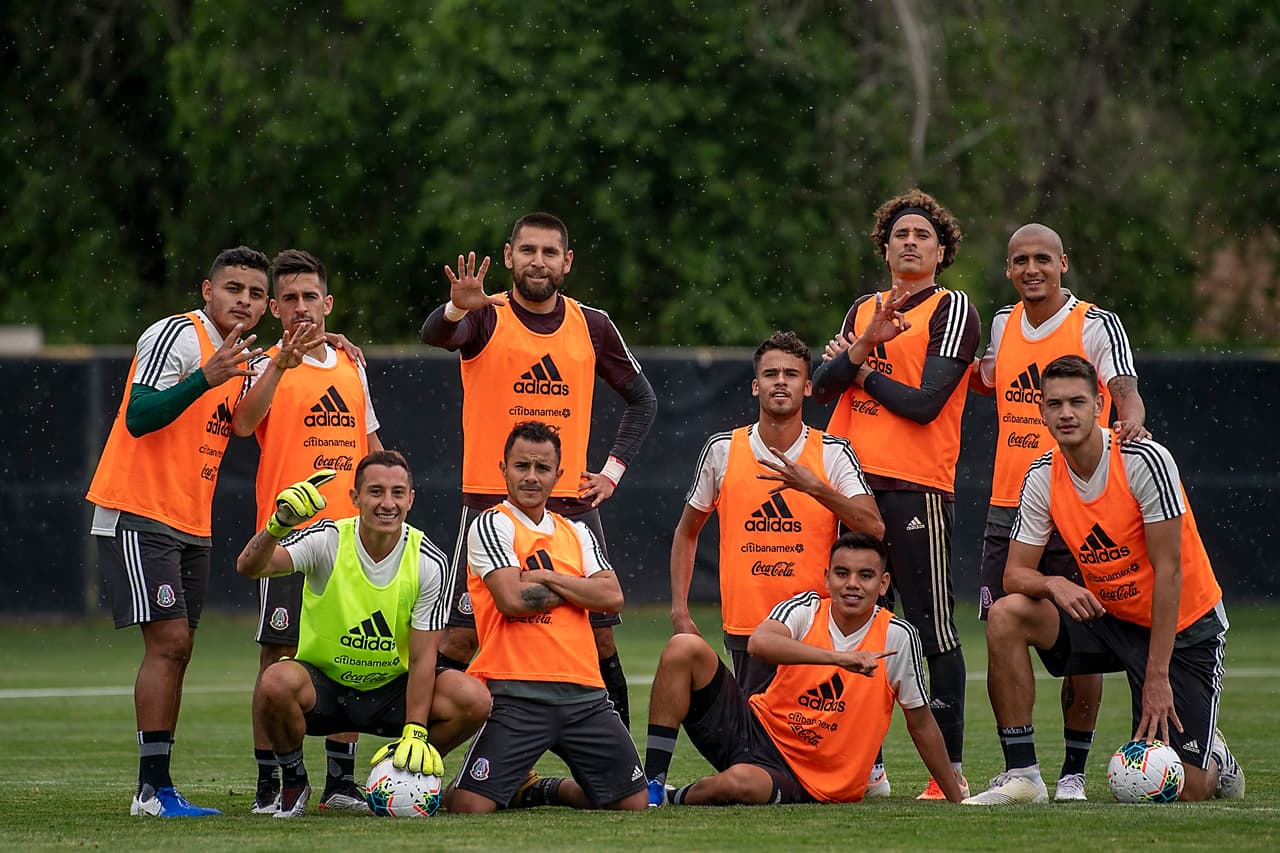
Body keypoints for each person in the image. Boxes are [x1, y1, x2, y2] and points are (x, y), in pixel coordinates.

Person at [963, 355, 1243, 805]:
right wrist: (1054, 584)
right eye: (1055, 404)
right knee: (1006, 614)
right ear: (1041, 410)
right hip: (1110, 619)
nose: (1066, 413)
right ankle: (1024, 776)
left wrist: (1156, 677)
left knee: (1188, 790)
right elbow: (1015, 574)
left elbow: (1170, 573)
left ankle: (1216, 755)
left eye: (1077, 402)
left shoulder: (1144, 460)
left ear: (1099, 405)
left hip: (1182, 628)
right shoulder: (1042, 474)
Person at [420, 211, 656, 727]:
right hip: (490, 502)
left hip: (569, 504)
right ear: (509, 257)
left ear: (567, 262)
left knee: (599, 635)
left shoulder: (592, 325)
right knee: (461, 636)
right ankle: (419, 749)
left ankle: (619, 757)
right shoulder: (485, 315)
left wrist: (611, 472)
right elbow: (436, 334)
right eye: (528, 250)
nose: (538, 261)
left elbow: (643, 400)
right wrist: (455, 308)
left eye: (550, 252)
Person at [86, 246, 270, 817]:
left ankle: (159, 788)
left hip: (191, 521)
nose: (243, 300)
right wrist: (205, 378)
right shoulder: (179, 334)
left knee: (181, 649)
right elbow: (139, 416)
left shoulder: (242, 357)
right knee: (168, 644)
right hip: (139, 509)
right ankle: (150, 791)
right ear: (207, 291)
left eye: (256, 293)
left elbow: (242, 425)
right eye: (233, 288)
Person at [811, 189, 980, 798]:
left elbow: (926, 403)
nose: (910, 242)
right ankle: (869, 768)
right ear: (885, 249)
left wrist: (858, 367)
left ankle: (947, 773)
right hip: (851, 486)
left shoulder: (952, 307)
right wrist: (856, 358)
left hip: (916, 486)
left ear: (941, 251)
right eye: (900, 235)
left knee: (932, 629)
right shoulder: (863, 308)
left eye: (922, 235)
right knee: (853, 624)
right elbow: (820, 386)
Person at [969, 223, 1147, 801]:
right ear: (1008, 269)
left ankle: (1073, 774)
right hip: (1008, 507)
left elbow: (1125, 391)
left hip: (1076, 503)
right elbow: (984, 378)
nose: (1032, 269)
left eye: (1042, 258)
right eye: (1020, 260)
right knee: (1003, 626)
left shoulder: (1094, 323)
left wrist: (1132, 421)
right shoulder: (1001, 324)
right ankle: (1022, 773)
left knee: (1082, 637)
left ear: (1063, 263)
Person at [236, 450, 492, 818]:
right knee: (275, 680)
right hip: (324, 688)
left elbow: (423, 658)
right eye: (375, 492)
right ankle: (294, 781)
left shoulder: (428, 560)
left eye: (397, 493)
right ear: (355, 497)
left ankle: (400, 772)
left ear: (411, 499)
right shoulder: (327, 540)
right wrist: (278, 525)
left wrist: (416, 731)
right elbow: (249, 568)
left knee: (474, 698)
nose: (387, 503)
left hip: (390, 692)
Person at [643, 532, 963, 806]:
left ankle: (672, 798)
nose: (852, 584)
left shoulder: (898, 636)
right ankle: (652, 786)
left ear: (883, 584)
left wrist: (955, 798)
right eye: (842, 573)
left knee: (739, 783)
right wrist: (839, 658)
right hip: (755, 730)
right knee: (684, 647)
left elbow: (921, 723)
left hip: (810, 778)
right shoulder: (807, 608)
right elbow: (760, 643)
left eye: (865, 576)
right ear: (827, 578)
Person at [230, 249, 383, 813]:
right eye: (289, 298)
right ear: (274, 308)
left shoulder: (352, 363)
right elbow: (243, 423)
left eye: (309, 297)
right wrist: (281, 364)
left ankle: (340, 784)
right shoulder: (263, 363)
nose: (300, 307)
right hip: (290, 541)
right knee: (277, 657)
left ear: (328, 303)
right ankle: (271, 783)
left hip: (350, 539)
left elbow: (371, 448)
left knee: (353, 659)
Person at [445, 422, 647, 813]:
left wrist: (547, 577)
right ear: (503, 469)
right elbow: (512, 599)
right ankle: (434, 788)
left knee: (632, 803)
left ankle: (538, 790)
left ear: (558, 475)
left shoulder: (577, 532)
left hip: (585, 695)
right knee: (470, 807)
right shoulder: (492, 523)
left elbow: (612, 597)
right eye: (522, 466)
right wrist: (578, 589)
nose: (531, 477)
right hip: (515, 694)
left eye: (542, 468)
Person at [671, 331, 884, 696]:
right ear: (756, 386)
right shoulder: (723, 450)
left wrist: (815, 487)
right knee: (755, 729)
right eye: (771, 374)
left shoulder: (832, 452)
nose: (781, 381)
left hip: (815, 627)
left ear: (807, 387)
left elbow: (873, 528)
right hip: (747, 627)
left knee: (819, 726)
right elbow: (687, 531)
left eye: (792, 374)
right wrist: (680, 611)